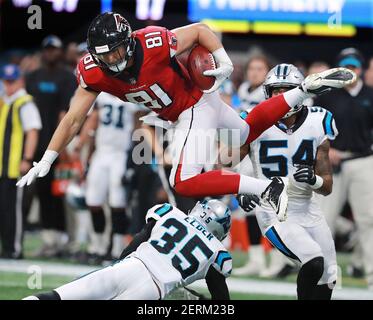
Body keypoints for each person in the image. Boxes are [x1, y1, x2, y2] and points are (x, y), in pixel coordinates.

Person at [17, 12, 355, 221]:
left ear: (128, 42)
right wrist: (48, 157)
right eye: (104, 55)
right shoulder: (94, 71)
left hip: (191, 105)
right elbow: (74, 118)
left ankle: (266, 187)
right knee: (246, 131)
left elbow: (198, 31)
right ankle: (303, 90)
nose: (112, 60)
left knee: (183, 180)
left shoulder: (150, 42)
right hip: (191, 110)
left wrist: (223, 60)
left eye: (117, 51)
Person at [236, 64, 339, 300]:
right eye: (275, 91)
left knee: (329, 275)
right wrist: (240, 189)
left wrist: (313, 181)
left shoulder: (318, 120)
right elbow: (226, 160)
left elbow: (327, 186)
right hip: (273, 210)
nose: (281, 97)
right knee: (313, 261)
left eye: (287, 90)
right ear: (267, 93)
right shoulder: (252, 119)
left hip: (307, 207)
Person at [23, 199, 232, 300]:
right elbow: (222, 303)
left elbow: (138, 241)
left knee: (60, 296)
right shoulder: (217, 252)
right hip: (153, 291)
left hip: (130, 267)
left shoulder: (170, 213)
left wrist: (119, 264)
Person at [314, 48, 373, 289]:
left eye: (355, 67)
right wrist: (327, 150)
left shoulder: (370, 94)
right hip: (331, 163)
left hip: (362, 160)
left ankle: (371, 275)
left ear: (361, 69)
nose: (351, 71)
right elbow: (313, 128)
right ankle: (322, 276)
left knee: (368, 220)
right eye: (346, 67)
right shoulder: (326, 96)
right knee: (323, 220)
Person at [24, 35, 77, 257]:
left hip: (57, 145)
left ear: (60, 52)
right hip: (37, 142)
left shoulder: (67, 78)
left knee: (63, 193)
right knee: (43, 191)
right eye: (48, 49)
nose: (51, 53)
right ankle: (49, 238)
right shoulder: (33, 77)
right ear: (43, 52)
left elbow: (65, 115)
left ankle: (65, 240)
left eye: (55, 49)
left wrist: (62, 147)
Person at [73, 92, 140, 260]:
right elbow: (93, 120)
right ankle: (98, 246)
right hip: (101, 154)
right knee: (93, 201)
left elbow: (138, 126)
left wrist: (137, 158)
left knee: (118, 202)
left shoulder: (132, 96)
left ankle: (118, 249)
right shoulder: (102, 96)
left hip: (122, 154)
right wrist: (81, 144)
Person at [0, 64, 42, 259]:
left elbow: (32, 131)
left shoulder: (24, 102)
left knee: (14, 210)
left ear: (20, 81)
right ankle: (6, 247)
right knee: (4, 208)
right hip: (3, 166)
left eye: (12, 81)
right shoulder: (6, 102)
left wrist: (27, 159)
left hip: (15, 165)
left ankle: (14, 248)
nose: (8, 86)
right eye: (6, 81)